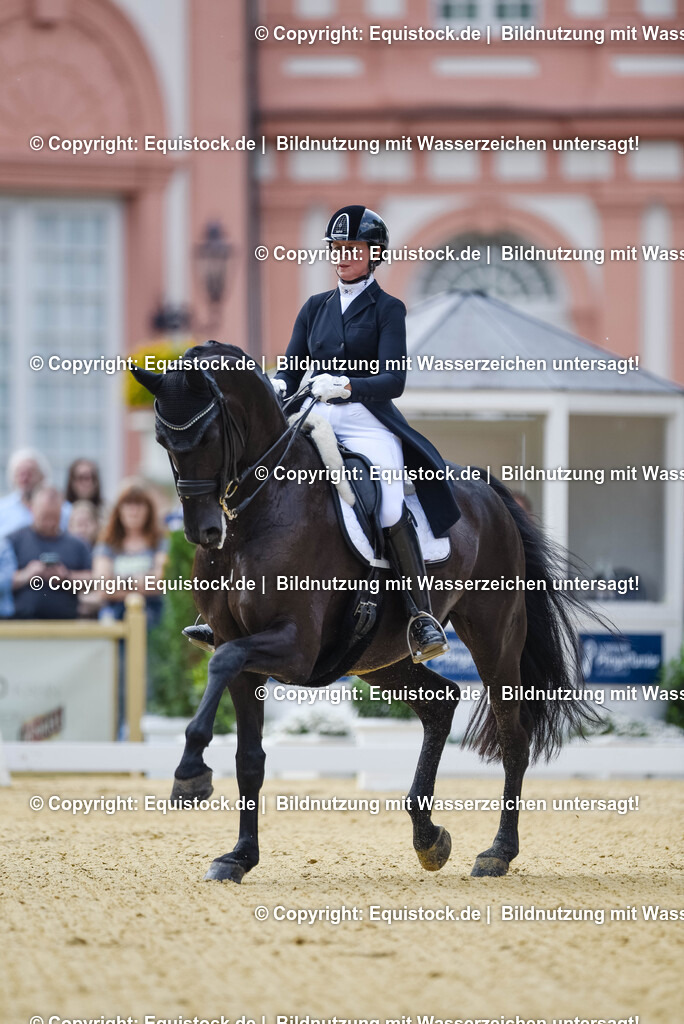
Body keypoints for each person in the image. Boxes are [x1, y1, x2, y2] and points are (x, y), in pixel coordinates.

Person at [185, 205, 461, 663]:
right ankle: (218, 609)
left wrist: (349, 385)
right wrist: (275, 385)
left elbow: (394, 379)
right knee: (253, 480)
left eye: (351, 248)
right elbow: (291, 368)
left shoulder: (388, 309)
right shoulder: (315, 307)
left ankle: (419, 616)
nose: (342, 256)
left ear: (374, 254)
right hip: (313, 415)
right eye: (336, 248)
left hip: (367, 420)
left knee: (389, 502)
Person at [8, 486, 92, 619]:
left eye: (54, 516)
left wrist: (66, 577)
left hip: (67, 625)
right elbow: (3, 579)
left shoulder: (78, 545)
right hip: (21, 625)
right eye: (45, 516)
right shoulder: (14, 541)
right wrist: (28, 573)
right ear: (32, 509)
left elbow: (94, 580)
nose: (49, 522)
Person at [93, 481, 168, 629]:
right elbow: (102, 587)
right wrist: (139, 582)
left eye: (139, 505)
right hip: (114, 617)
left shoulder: (160, 542)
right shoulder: (107, 544)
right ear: (119, 510)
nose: (134, 511)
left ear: (149, 510)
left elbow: (161, 581)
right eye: (128, 505)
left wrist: (119, 583)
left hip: (153, 616)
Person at [0, 448, 70, 538]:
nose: (25, 479)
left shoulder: (63, 509)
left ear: (43, 476)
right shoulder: (2, 509)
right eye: (20, 474)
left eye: (30, 473)